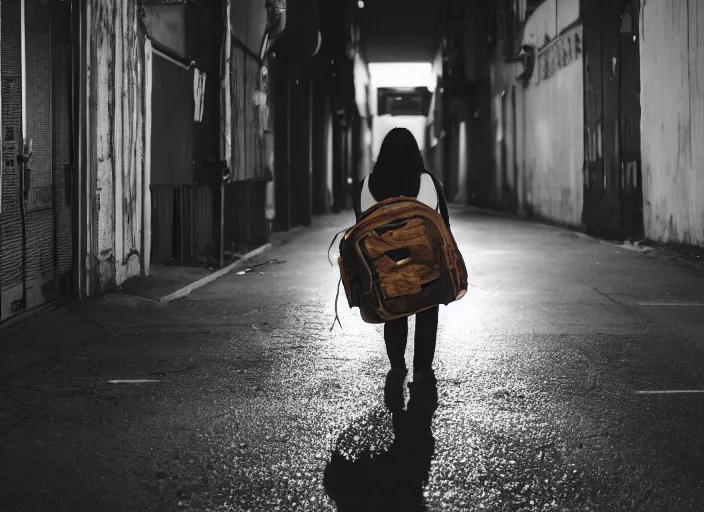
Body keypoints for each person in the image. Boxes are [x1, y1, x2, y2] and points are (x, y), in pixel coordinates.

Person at [352, 127, 450, 410]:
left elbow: (361, 227)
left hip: (384, 270)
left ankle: (397, 366)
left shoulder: (366, 184)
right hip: (424, 266)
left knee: (394, 313)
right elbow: (441, 227)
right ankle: (422, 370)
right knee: (426, 313)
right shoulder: (428, 183)